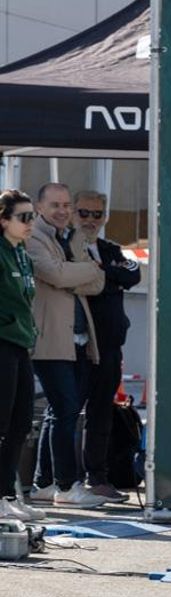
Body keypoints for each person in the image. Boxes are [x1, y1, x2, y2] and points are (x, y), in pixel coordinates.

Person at [25, 182, 105, 509]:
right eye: (54, 205)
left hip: (77, 340)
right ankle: (66, 486)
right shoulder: (33, 238)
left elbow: (98, 284)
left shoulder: (70, 238)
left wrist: (77, 273)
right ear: (39, 207)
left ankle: (43, 483)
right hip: (49, 340)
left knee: (61, 411)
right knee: (67, 410)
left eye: (65, 205)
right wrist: (84, 271)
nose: (62, 211)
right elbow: (56, 275)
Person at [71, 190, 140, 502]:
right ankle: (56, 481)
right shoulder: (65, 246)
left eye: (97, 214)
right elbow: (74, 280)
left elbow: (133, 274)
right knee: (65, 413)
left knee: (102, 414)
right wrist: (107, 276)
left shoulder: (111, 249)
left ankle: (97, 478)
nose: (90, 220)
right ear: (73, 213)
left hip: (110, 346)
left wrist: (103, 272)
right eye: (84, 213)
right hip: (77, 345)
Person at [0, 192, 42, 522]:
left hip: (21, 344)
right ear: (4, 220)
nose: (30, 224)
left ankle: (8, 494)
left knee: (21, 422)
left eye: (32, 217)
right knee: (2, 421)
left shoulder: (22, 253)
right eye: (23, 218)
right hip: (2, 342)